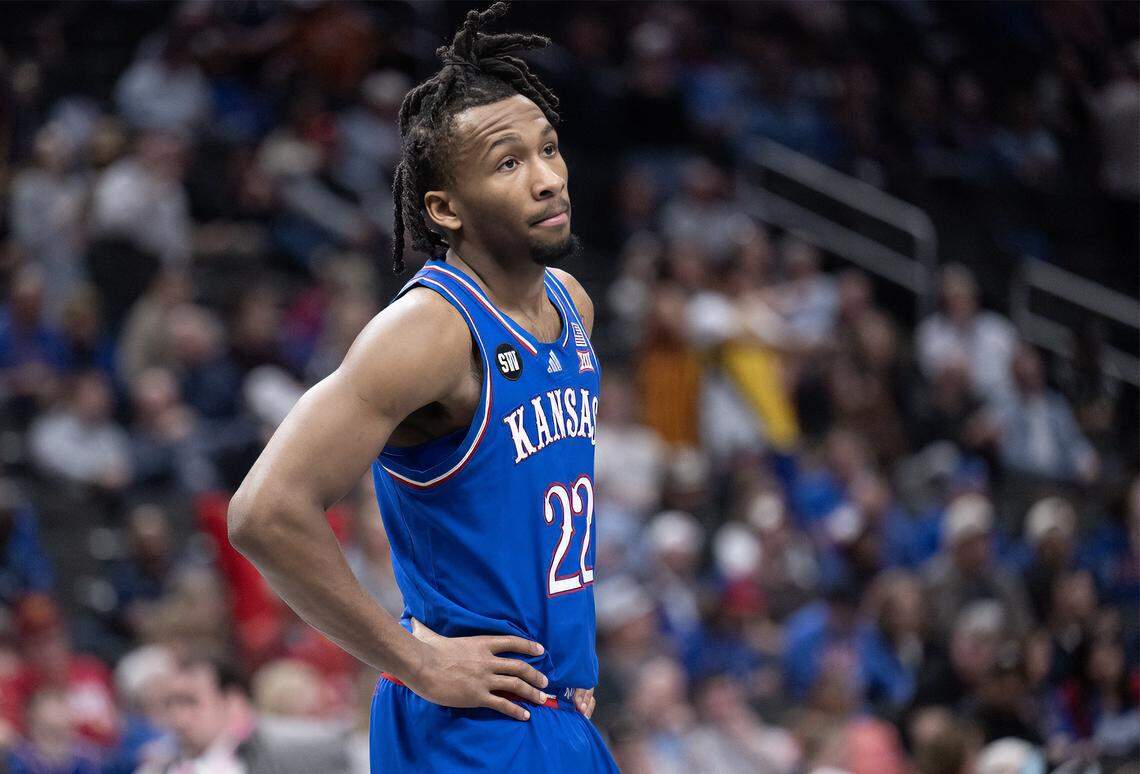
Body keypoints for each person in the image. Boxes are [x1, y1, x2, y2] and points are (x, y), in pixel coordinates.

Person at [227, 3, 616, 771]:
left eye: (549, 150)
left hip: (549, 710)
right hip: (467, 722)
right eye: (509, 164)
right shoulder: (429, 331)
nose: (546, 179)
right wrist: (416, 659)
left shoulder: (572, 304)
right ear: (443, 208)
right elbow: (263, 514)